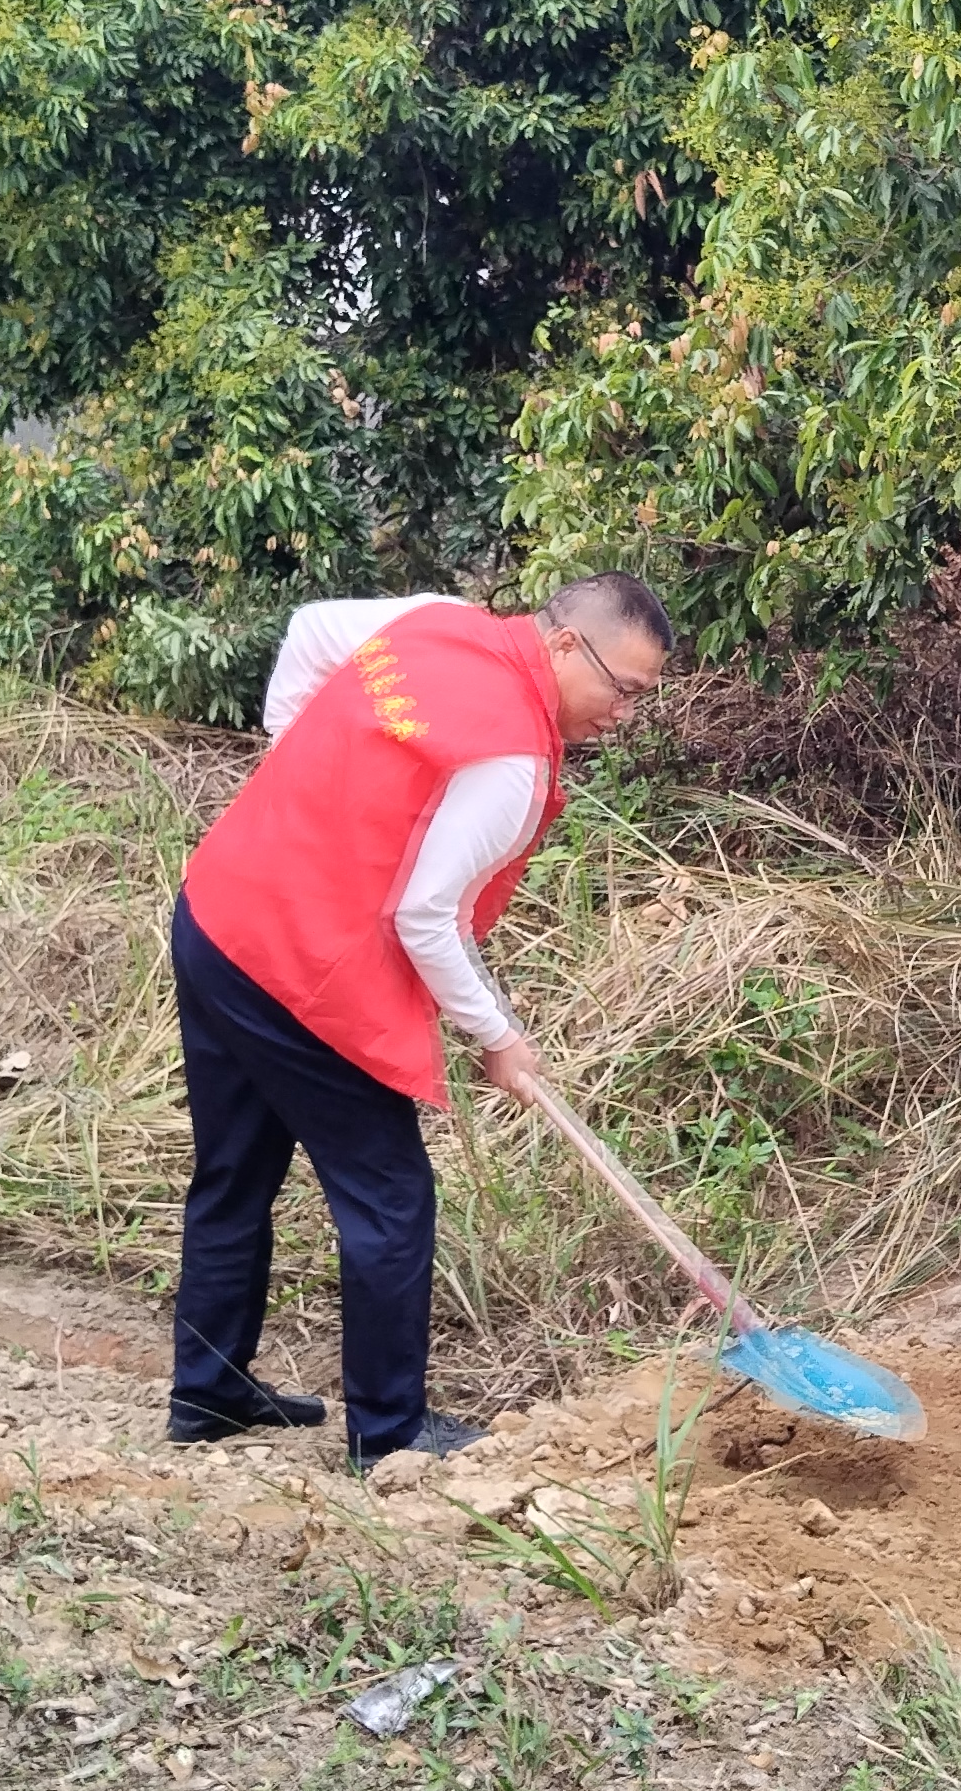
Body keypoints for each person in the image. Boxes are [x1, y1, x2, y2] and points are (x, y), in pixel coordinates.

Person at [165, 573, 673, 1466]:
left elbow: (312, 624)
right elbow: (424, 917)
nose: (624, 713)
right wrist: (500, 1036)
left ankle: (207, 1395)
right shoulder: (514, 755)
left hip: (220, 913)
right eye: (623, 689)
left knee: (234, 1172)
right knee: (390, 1200)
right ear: (563, 645)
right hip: (299, 969)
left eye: (641, 699)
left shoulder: (434, 622)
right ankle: (389, 1434)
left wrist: (293, 773)